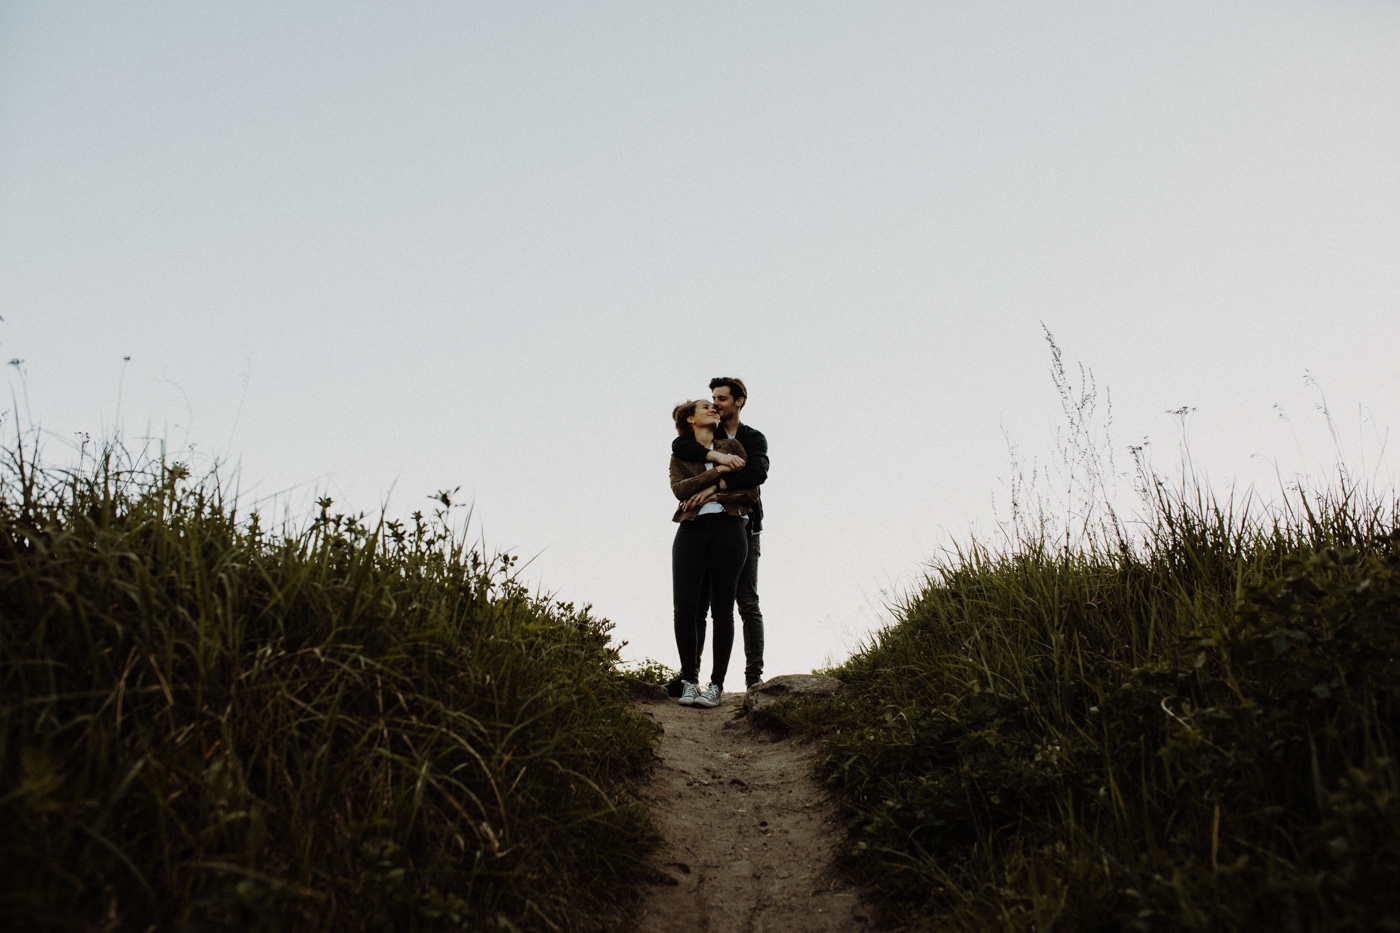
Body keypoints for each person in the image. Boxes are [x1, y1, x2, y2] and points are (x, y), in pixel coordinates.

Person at [668, 377, 769, 691]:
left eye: (721, 399)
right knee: (696, 604)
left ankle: (753, 677)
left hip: (743, 525)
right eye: (712, 399)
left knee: (745, 601)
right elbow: (680, 447)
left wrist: (713, 490)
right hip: (700, 528)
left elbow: (756, 474)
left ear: (739, 402)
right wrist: (719, 461)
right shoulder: (710, 437)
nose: (715, 404)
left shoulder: (749, 439)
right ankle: (689, 675)